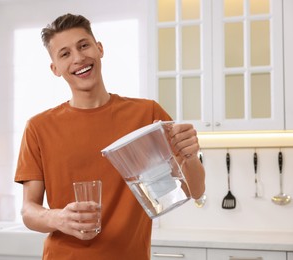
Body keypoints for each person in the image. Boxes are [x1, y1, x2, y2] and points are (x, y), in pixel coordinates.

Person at [15, 13, 205, 260]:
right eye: (65, 54)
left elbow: (193, 190)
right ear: (55, 68)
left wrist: (190, 156)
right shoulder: (38, 127)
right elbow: (29, 210)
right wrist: (58, 218)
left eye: (84, 45)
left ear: (99, 48)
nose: (79, 57)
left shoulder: (147, 114)